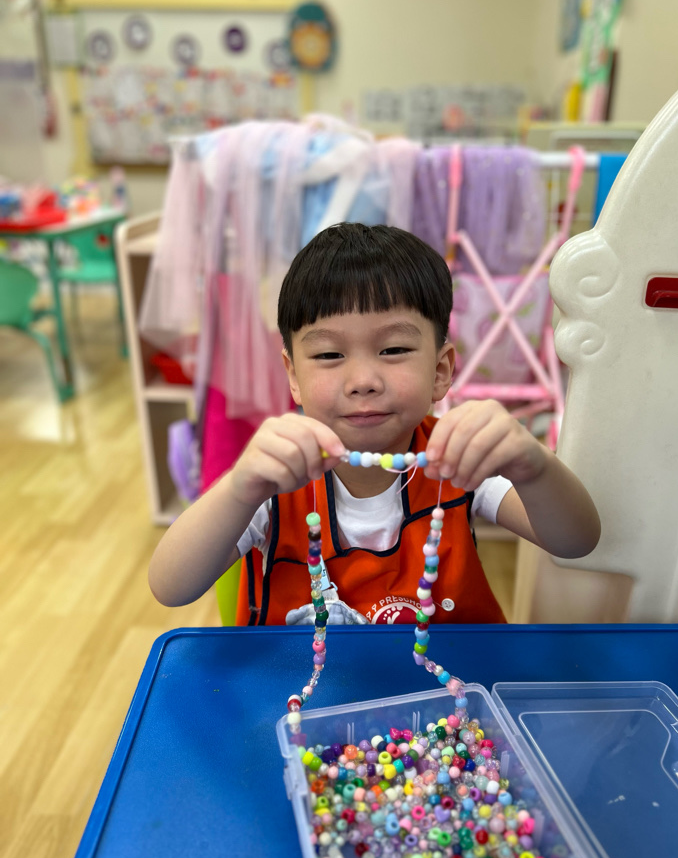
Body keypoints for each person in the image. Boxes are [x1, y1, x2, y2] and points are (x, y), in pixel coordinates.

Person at [149, 223, 600, 626]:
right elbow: (171, 587)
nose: (363, 380)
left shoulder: (457, 458)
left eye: (393, 350)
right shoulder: (276, 476)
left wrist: (533, 466)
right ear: (293, 377)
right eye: (329, 355)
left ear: (440, 371)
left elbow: (575, 541)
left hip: (448, 686)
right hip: (302, 689)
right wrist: (238, 490)